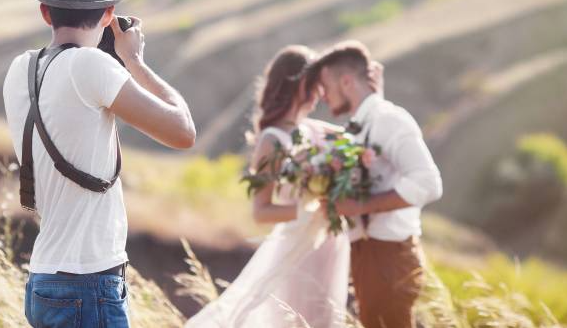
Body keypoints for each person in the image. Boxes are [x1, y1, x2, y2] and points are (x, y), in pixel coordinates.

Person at [2, 0, 196, 328]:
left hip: (43, 277)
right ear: (108, 15)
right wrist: (134, 60)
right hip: (88, 281)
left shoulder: (20, 69)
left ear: (45, 13)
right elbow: (183, 132)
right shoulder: (92, 66)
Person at [186, 45, 383, 328]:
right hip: (296, 248)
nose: (323, 93)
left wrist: (375, 95)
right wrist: (307, 207)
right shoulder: (271, 140)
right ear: (302, 83)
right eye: (319, 84)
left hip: (329, 243)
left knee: (325, 320)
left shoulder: (314, 129)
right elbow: (261, 212)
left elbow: (361, 139)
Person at [305, 40, 443, 328]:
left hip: (389, 255)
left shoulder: (389, 120)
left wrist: (358, 205)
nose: (323, 97)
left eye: (325, 87)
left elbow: (428, 184)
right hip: (370, 254)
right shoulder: (361, 125)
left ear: (345, 82)